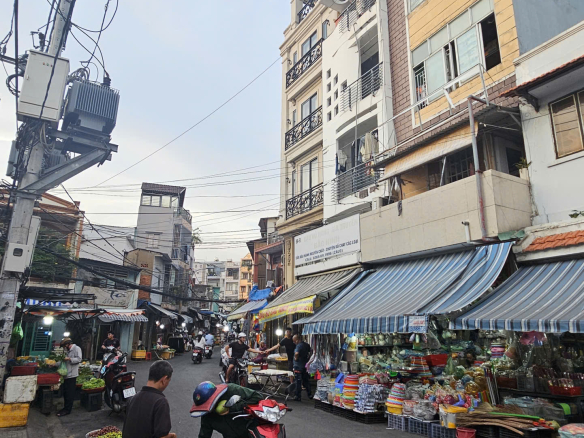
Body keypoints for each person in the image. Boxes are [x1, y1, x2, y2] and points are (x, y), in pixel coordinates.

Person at [190, 382, 263, 438]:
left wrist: (233, 408)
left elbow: (257, 396)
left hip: (251, 430)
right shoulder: (207, 415)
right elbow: (204, 435)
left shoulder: (231, 390)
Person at [123, 360, 176, 438]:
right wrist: (172, 436)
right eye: (169, 380)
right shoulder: (160, 402)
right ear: (164, 380)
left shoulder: (133, 398)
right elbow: (162, 436)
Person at [57, 338, 82, 417]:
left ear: (67, 344)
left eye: (64, 346)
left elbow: (79, 359)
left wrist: (69, 359)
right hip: (67, 375)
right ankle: (65, 408)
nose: (64, 348)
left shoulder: (77, 348)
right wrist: (54, 364)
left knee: (69, 394)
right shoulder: (67, 351)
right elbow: (62, 362)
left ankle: (67, 410)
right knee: (66, 393)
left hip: (72, 375)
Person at [292, 334, 312, 401]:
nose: (294, 342)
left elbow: (296, 353)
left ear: (297, 340)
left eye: (294, 341)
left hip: (298, 366)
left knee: (298, 381)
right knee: (306, 380)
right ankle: (309, 394)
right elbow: (310, 352)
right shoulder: (306, 345)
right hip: (305, 365)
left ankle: (298, 396)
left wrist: (296, 358)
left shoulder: (298, 346)